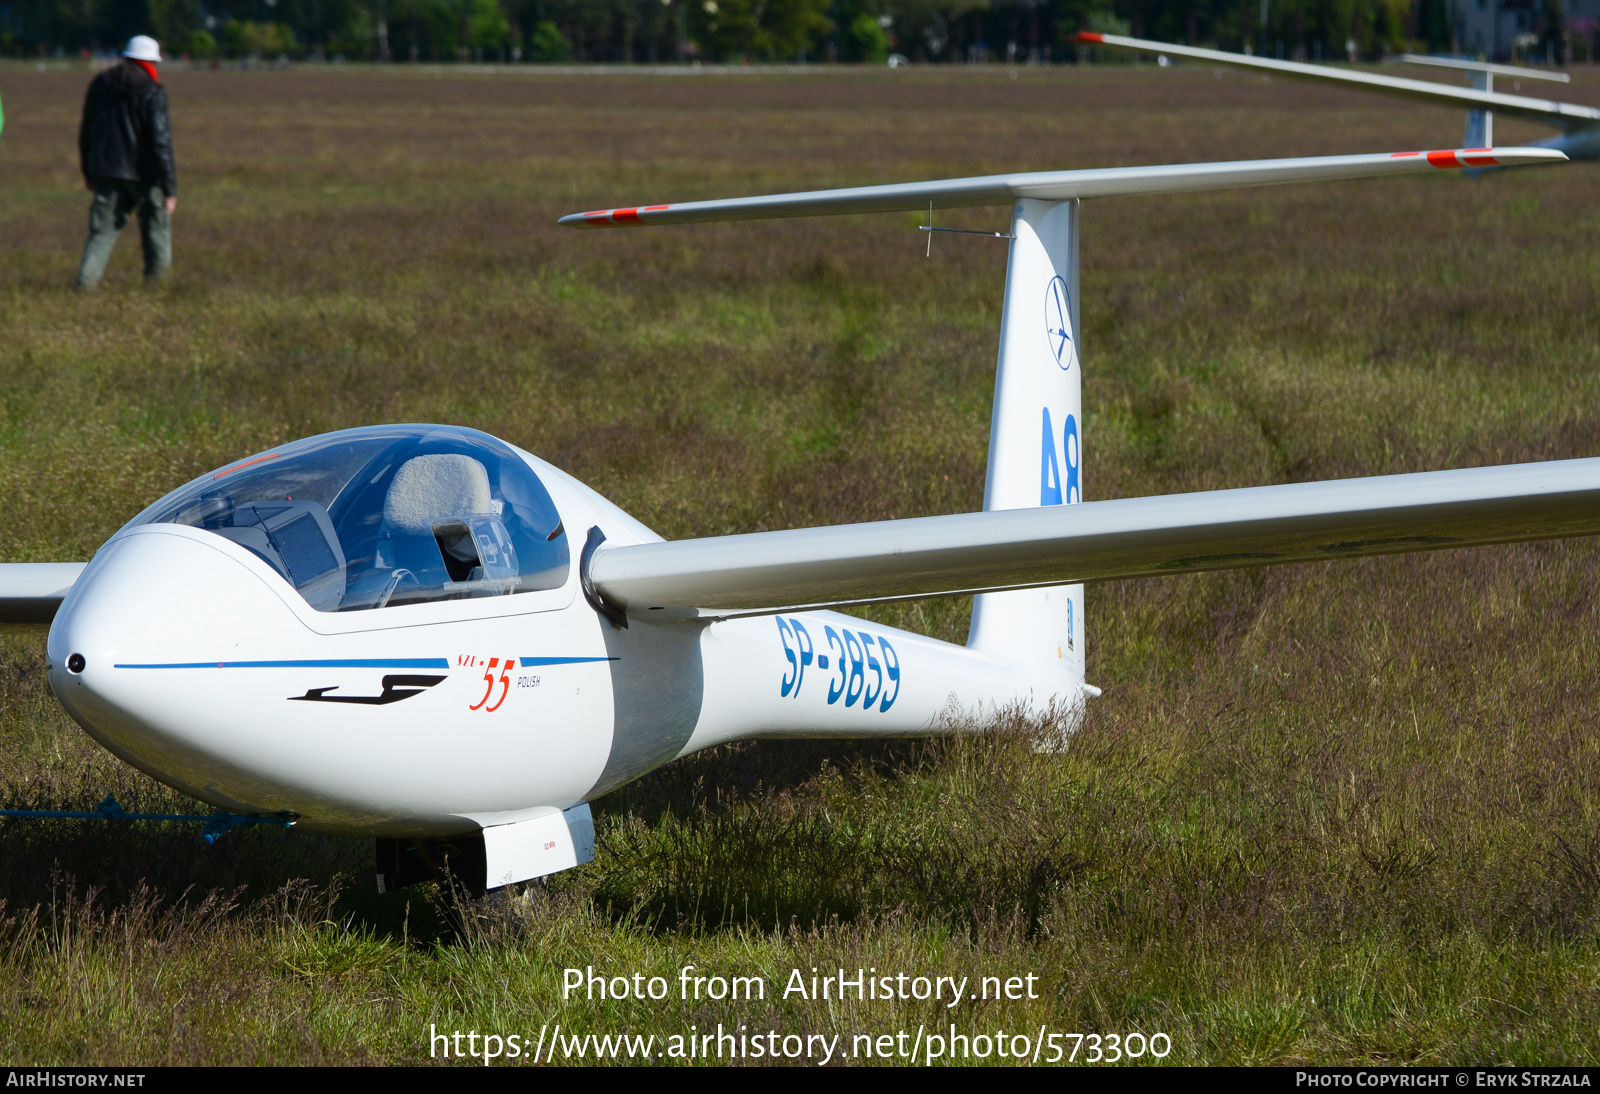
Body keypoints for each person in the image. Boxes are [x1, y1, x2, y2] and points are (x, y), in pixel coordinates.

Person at [75, 36, 177, 290]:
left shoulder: (100, 83)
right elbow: (160, 141)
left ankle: (84, 287)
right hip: (146, 174)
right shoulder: (154, 91)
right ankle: (157, 290)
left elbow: (86, 130)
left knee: (101, 234)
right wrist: (170, 188)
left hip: (106, 170)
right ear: (151, 62)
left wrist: (89, 171)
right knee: (156, 233)